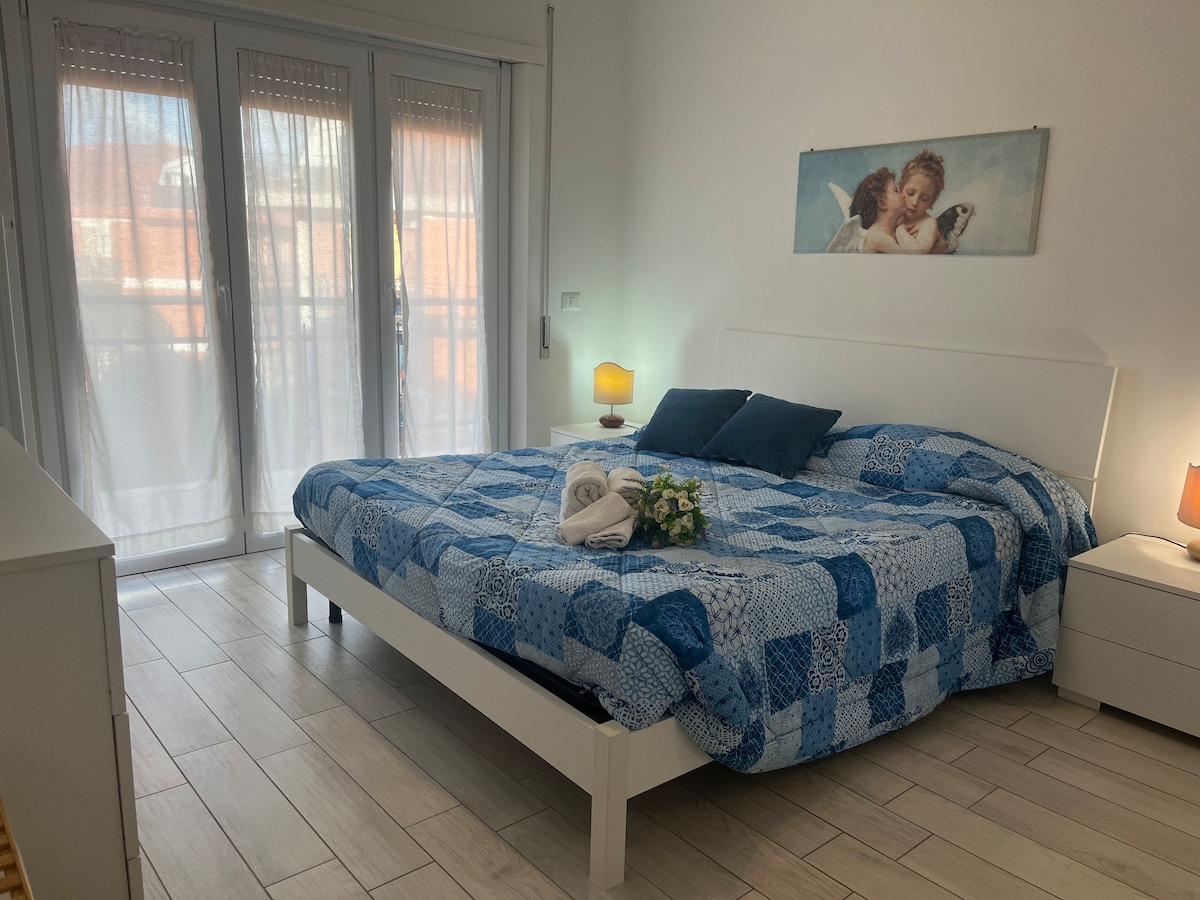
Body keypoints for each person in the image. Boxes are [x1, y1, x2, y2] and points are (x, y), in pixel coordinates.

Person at [895, 150, 949, 253]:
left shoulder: (928, 223)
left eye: (924, 199)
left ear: (931, 202)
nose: (915, 202)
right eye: (910, 193)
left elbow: (919, 252)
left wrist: (900, 231)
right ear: (901, 189)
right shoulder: (895, 217)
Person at [848, 167, 906, 253]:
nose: (903, 195)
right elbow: (907, 262)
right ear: (882, 202)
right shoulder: (877, 236)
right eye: (896, 190)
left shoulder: (889, 233)